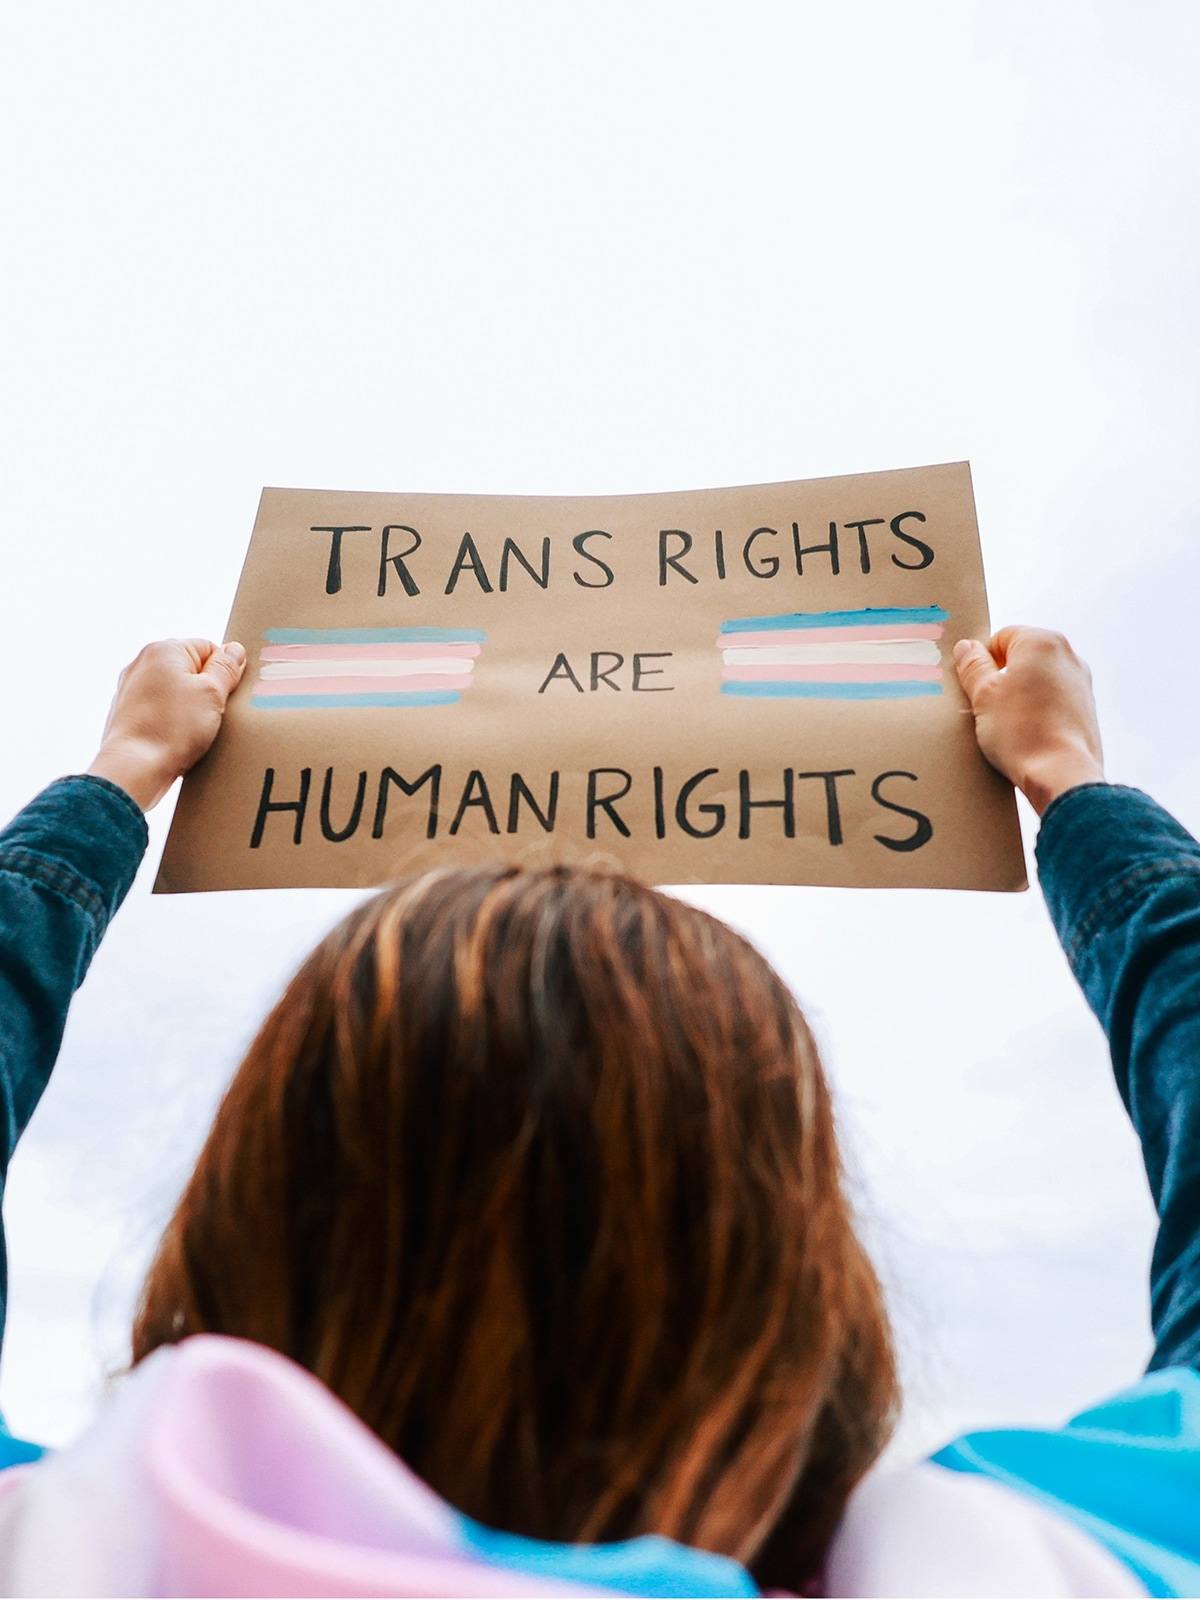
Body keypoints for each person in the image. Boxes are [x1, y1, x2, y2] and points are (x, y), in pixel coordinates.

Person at [0, 629, 1192, 1596]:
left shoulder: (45, 1551)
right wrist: (1071, 785)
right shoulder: (1025, 1570)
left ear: (249, 1206)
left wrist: (117, 782)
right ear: (801, 1275)